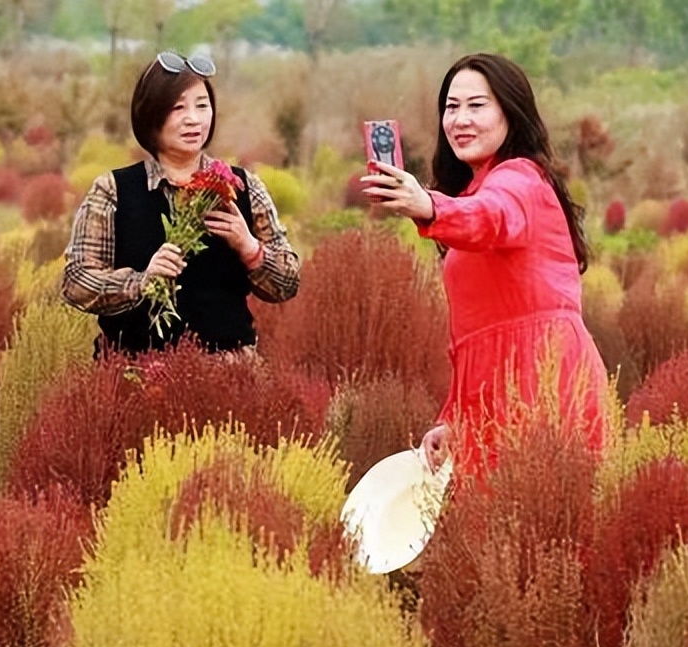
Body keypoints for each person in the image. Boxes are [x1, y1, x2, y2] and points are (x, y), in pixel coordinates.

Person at [361, 52, 607, 476]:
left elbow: (491, 217)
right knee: (496, 532)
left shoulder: (521, 179)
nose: (460, 120)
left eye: (477, 106)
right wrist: (453, 416)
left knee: (545, 525)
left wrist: (429, 206)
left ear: (511, 112)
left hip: (542, 381)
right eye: (451, 108)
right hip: (492, 394)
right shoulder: (478, 188)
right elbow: (477, 335)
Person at [62, 51, 300, 355]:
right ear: (151, 115)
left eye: (202, 106)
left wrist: (249, 247)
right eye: (178, 108)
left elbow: (287, 284)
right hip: (134, 373)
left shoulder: (243, 187)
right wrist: (141, 281)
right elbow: (76, 282)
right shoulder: (114, 190)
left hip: (230, 377)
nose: (194, 119)